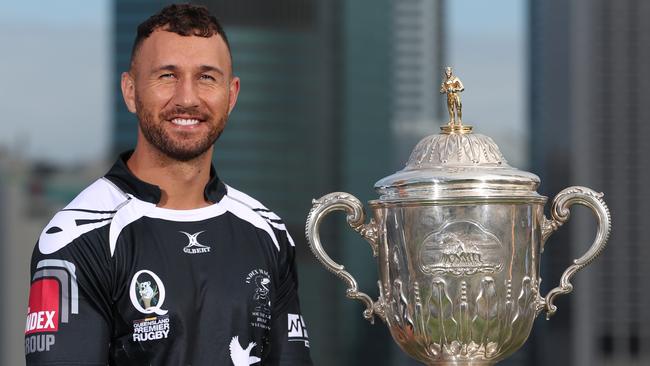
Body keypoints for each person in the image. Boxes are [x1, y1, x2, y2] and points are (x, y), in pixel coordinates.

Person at [24, 4, 313, 365]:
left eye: (206, 77)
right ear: (130, 91)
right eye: (167, 76)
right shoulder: (77, 238)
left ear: (232, 94)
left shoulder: (268, 231)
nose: (187, 98)